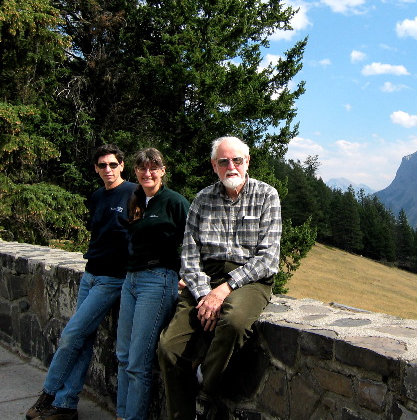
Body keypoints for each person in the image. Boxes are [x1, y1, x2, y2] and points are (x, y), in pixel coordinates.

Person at [157, 136, 282, 420]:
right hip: (205, 277)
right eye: (223, 161)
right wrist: (204, 295)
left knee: (235, 322)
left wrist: (224, 289)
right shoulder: (202, 199)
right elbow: (189, 256)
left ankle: (205, 385)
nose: (231, 166)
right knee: (168, 349)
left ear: (247, 162)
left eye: (237, 160)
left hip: (250, 279)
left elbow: (268, 258)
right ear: (214, 165)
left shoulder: (266, 195)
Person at [27, 145, 137, 420]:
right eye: (102, 165)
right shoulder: (98, 196)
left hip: (113, 278)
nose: (108, 170)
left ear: (122, 165)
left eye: (113, 164)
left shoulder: (135, 193)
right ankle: (65, 405)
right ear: (96, 169)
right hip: (90, 274)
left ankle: (48, 395)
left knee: (71, 335)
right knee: (83, 340)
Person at [115, 148, 190, 420]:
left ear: (163, 171)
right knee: (123, 355)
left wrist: (186, 276)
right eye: (142, 168)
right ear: (135, 171)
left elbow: (195, 242)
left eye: (154, 167)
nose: (148, 173)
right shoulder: (135, 200)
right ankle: (123, 414)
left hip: (157, 282)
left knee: (138, 362)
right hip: (131, 280)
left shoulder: (174, 202)